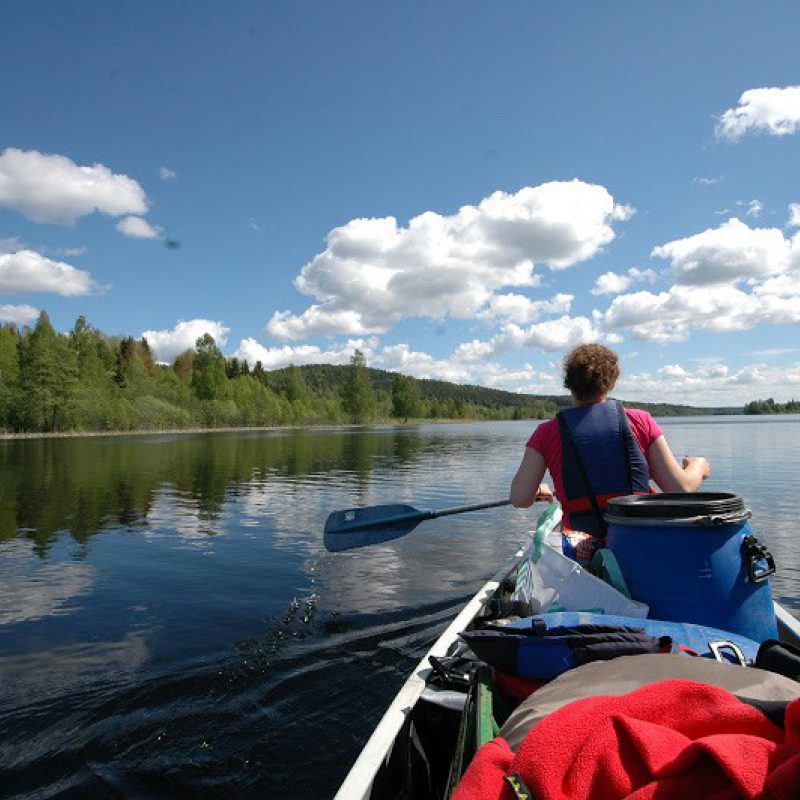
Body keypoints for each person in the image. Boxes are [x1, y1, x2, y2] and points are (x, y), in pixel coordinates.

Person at [510, 343, 710, 537]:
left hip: (584, 550)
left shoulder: (546, 432)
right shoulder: (640, 422)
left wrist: (538, 489)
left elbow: (520, 498)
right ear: (612, 382)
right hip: (638, 543)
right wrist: (698, 466)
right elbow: (682, 489)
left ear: (569, 384)